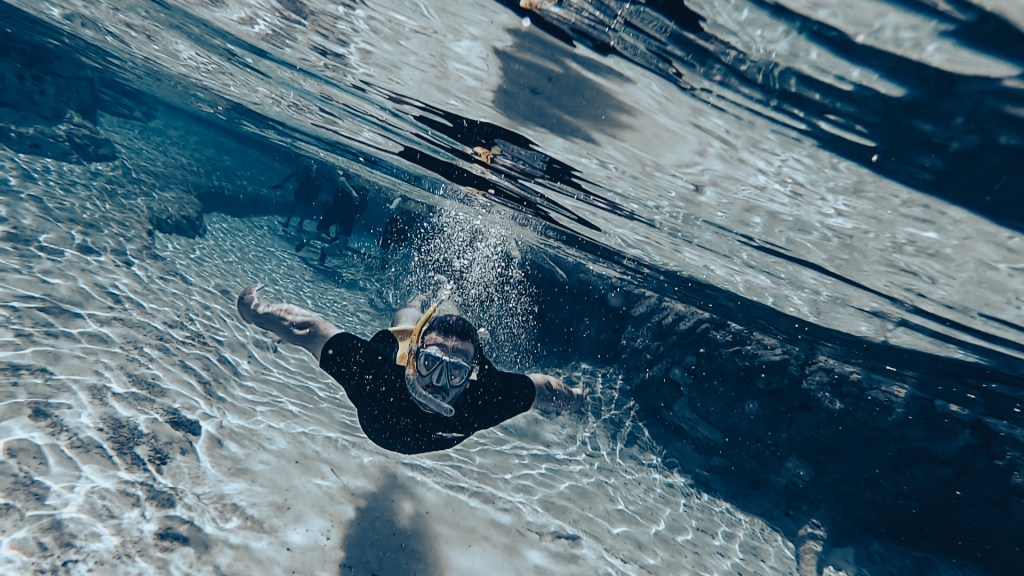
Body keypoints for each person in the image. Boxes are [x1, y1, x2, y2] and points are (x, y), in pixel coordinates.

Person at [236, 283, 586, 454]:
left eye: (454, 373)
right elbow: (309, 329)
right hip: (399, 357)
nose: (438, 383)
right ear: (415, 358)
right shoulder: (376, 372)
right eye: (430, 364)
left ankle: (447, 299)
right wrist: (254, 312)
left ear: (470, 377)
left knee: (451, 318)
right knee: (406, 321)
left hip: (429, 366)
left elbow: (541, 389)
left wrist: (574, 399)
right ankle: (421, 299)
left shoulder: (484, 398)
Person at [295, 172, 366, 265]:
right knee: (320, 231)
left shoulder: (367, 187)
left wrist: (358, 214)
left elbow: (363, 202)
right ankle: (305, 241)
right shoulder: (353, 173)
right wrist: (352, 192)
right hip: (336, 207)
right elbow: (341, 180)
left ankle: (325, 250)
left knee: (343, 245)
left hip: (349, 214)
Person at [273, 158, 332, 233]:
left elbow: (292, 175)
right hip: (308, 190)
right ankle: (295, 222)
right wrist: (281, 184)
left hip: (309, 191)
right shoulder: (311, 172)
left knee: (300, 205)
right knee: (302, 206)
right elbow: (293, 175)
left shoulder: (311, 172)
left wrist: (281, 184)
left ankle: (293, 222)